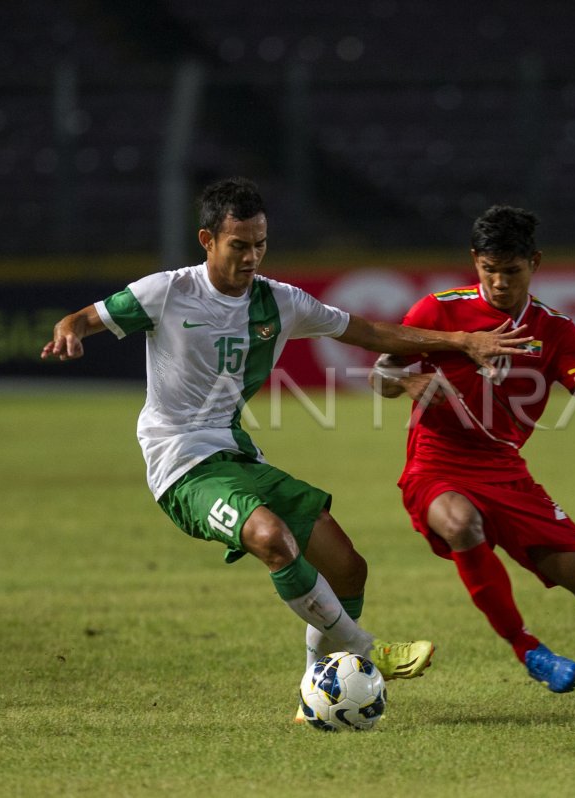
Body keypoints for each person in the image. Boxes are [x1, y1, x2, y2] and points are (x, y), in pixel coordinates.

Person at [41, 177, 532, 721]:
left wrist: (460, 342)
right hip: (181, 465)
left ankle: (312, 691)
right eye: (239, 245)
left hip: (237, 454)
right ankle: (368, 651)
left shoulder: (281, 302)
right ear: (207, 240)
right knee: (270, 537)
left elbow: (369, 332)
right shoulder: (168, 292)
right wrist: (70, 331)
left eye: (261, 244)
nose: (252, 256)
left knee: (347, 568)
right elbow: (83, 318)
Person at [369, 205, 575, 713]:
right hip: (437, 462)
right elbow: (378, 376)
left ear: (534, 263)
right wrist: (408, 380)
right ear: (475, 262)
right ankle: (528, 648)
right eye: (488, 270)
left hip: (506, 470)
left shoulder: (555, 330)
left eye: (510, 272)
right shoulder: (437, 311)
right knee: (461, 524)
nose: (497, 283)